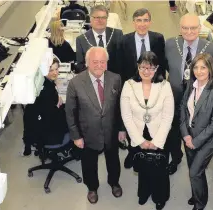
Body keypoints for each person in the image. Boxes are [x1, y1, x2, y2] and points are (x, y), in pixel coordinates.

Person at [65, 47, 126, 204]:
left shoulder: (116, 79)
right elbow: (70, 113)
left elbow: (120, 107)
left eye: (102, 62)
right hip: (87, 134)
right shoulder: (75, 83)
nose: (99, 65)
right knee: (89, 164)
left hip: (111, 131)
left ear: (107, 63)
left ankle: (114, 183)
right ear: (87, 63)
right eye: (95, 62)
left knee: (113, 160)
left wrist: (121, 129)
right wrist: (76, 136)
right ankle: (92, 188)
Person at [165, 13, 213, 175]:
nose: (189, 31)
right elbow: (167, 68)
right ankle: (175, 158)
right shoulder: (169, 44)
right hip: (174, 97)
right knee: (174, 130)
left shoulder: (210, 48)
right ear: (180, 28)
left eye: (193, 28)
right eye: (185, 28)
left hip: (197, 100)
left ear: (199, 28)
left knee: (194, 131)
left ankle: (195, 165)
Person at [120, 51, 174, 210]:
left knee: (160, 169)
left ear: (156, 69)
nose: (146, 71)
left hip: (159, 133)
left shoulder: (165, 86)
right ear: (138, 67)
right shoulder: (129, 85)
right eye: (143, 67)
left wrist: (157, 141)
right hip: (138, 134)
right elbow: (126, 116)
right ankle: (143, 192)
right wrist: (139, 141)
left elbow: (168, 116)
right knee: (142, 167)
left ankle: (160, 196)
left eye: (150, 68)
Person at [118, 8, 167, 169]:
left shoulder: (158, 38)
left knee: (151, 119)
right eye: (138, 20)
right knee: (134, 121)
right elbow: (121, 68)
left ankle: (152, 149)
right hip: (133, 88)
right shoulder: (124, 41)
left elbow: (162, 65)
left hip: (153, 87)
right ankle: (133, 152)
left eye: (145, 20)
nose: (142, 24)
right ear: (133, 22)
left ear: (150, 22)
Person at [179, 53, 213, 210]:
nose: (199, 71)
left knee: (194, 172)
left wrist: (195, 141)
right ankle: (197, 194)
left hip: (207, 141)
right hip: (189, 137)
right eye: (196, 67)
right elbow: (183, 110)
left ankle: (200, 204)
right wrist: (185, 135)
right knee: (196, 171)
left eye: (203, 67)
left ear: (210, 69)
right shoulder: (190, 85)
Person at [22, 58, 67, 156]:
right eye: (51, 70)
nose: (55, 73)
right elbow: (53, 115)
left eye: (56, 69)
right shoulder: (47, 90)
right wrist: (59, 105)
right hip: (48, 132)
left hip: (39, 127)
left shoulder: (41, 84)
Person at [75, 5, 123, 73]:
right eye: (97, 17)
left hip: (114, 79)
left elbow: (122, 61)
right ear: (90, 19)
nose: (100, 21)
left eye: (103, 17)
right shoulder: (81, 39)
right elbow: (80, 65)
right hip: (91, 80)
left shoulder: (117, 35)